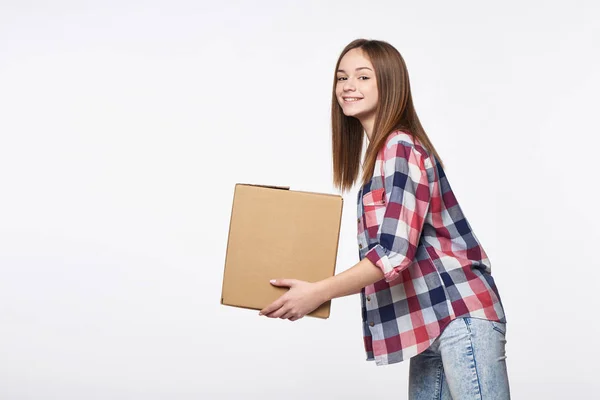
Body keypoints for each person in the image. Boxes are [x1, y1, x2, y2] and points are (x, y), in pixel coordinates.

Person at [259, 39, 510, 399]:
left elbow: (392, 254)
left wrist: (316, 293)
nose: (348, 86)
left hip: (459, 316)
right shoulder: (380, 157)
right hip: (430, 322)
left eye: (363, 77)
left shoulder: (400, 147)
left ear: (389, 84)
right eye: (342, 77)